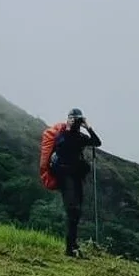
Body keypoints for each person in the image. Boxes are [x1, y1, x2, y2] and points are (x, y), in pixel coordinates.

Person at [49, 108, 101, 258]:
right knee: (72, 210)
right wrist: (69, 128)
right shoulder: (62, 135)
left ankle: (73, 245)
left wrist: (88, 127)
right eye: (74, 119)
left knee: (76, 212)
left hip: (77, 176)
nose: (76, 121)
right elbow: (61, 145)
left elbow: (97, 142)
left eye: (78, 119)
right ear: (68, 119)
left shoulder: (80, 136)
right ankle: (69, 248)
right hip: (65, 176)